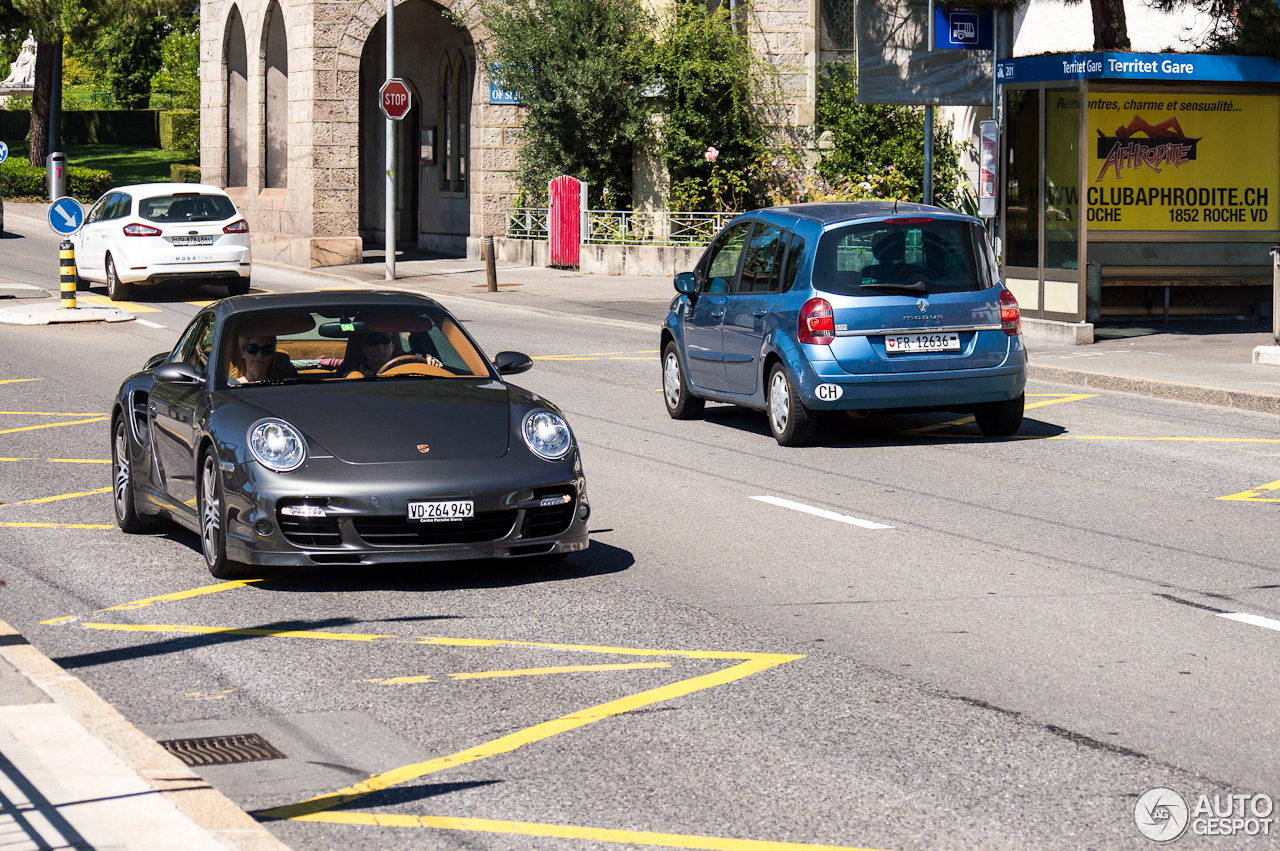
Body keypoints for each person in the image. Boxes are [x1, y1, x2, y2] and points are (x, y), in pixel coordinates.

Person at [341, 330, 440, 378]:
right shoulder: (351, 377)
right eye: (372, 343)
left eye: (385, 341)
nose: (380, 347)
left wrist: (432, 367)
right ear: (363, 349)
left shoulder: (411, 368)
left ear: (393, 346)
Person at [230, 334, 297, 384]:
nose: (259, 355)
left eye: (266, 349)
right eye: (253, 349)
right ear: (243, 353)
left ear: (272, 355)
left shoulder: (281, 387)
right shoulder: (231, 387)